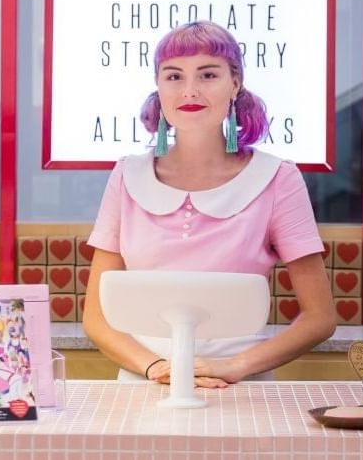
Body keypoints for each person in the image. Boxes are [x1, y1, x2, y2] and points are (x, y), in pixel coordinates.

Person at [82, 21, 336, 388]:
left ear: (235, 83)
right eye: (173, 76)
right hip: (144, 383)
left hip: (241, 385)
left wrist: (235, 366)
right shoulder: (126, 175)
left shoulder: (278, 178)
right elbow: (96, 317)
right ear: (158, 86)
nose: (190, 90)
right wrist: (156, 367)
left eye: (207, 74)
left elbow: (320, 317)